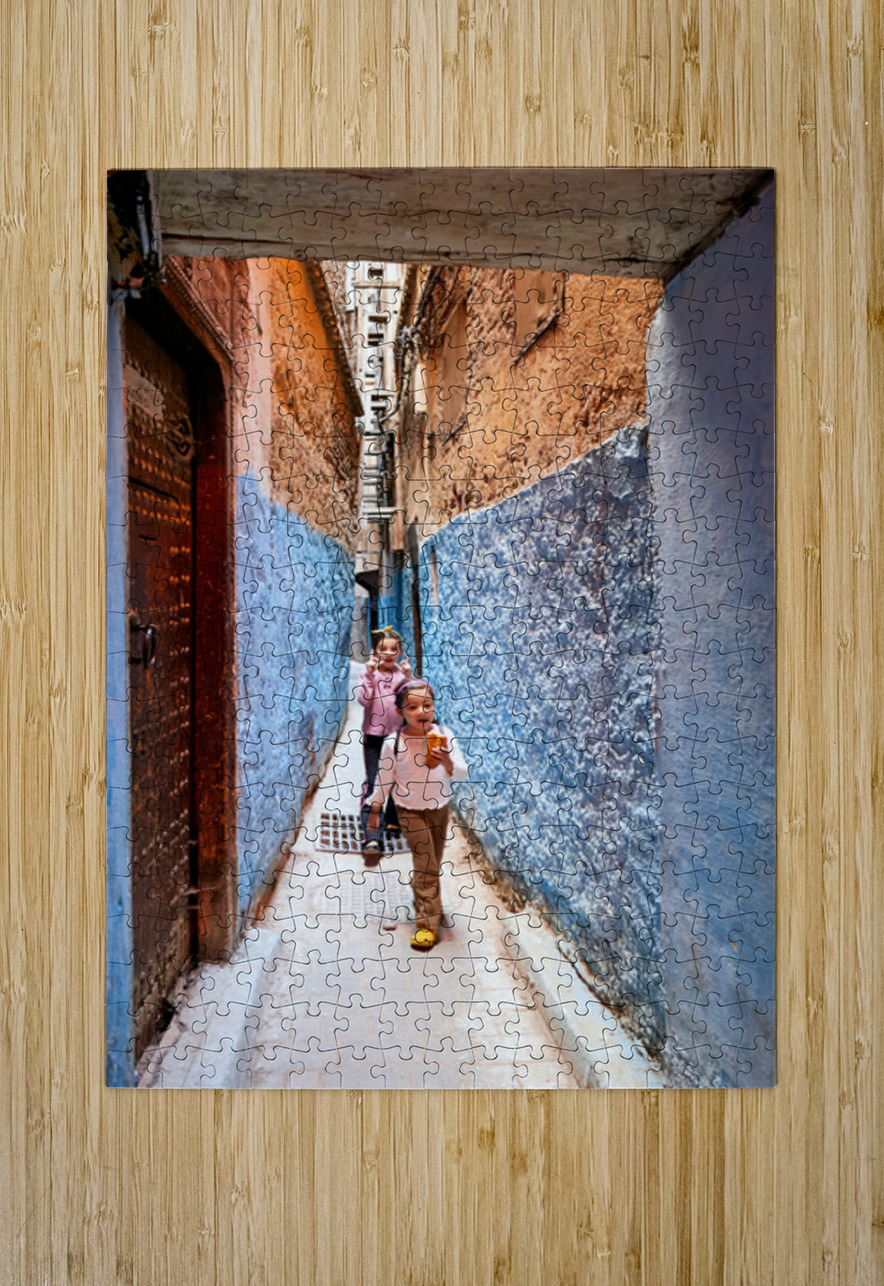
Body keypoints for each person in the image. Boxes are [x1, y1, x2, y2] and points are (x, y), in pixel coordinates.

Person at [365, 680, 468, 951]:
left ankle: (426, 900)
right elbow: (384, 779)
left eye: (427, 705)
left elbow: (462, 772)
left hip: (440, 807)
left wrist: (447, 761)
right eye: (412, 707)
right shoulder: (394, 743)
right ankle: (426, 924)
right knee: (426, 864)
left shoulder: (444, 735)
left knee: (433, 862)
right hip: (408, 810)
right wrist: (375, 809)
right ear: (400, 712)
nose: (421, 711)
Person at [356, 626, 412, 858]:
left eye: (393, 649)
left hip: (398, 739)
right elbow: (363, 700)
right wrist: (369, 675)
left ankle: (391, 819)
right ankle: (372, 837)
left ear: (400, 653)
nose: (388, 653)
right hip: (374, 738)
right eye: (383, 649)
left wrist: (409, 678)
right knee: (374, 785)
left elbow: (412, 703)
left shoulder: (401, 677)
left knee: (399, 782)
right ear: (374, 652)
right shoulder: (367, 675)